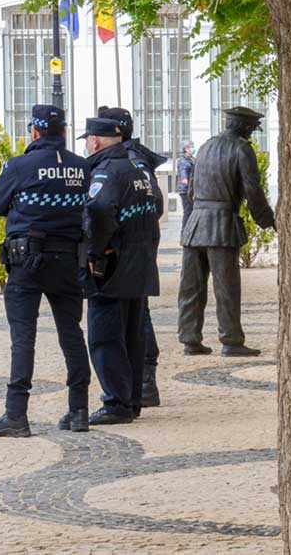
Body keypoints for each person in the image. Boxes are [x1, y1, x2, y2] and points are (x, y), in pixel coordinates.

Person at [0, 106, 92, 438]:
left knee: (22, 339)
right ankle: (79, 410)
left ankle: (16, 415)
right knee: (71, 333)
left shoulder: (18, 166)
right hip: (69, 260)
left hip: (27, 262)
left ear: (34, 132)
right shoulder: (81, 167)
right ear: (63, 132)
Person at [79, 117, 161, 425]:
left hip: (112, 268)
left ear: (96, 142)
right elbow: (157, 208)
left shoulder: (105, 171)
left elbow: (99, 211)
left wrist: (94, 252)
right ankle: (132, 399)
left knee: (105, 337)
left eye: (88, 139)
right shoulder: (138, 169)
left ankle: (116, 402)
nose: (87, 144)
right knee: (132, 335)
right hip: (139, 263)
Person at [177, 106, 274, 357]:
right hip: (221, 224)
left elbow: (191, 190)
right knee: (226, 286)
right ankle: (231, 340)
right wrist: (267, 220)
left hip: (196, 223)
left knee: (191, 285)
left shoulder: (206, 146)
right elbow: (253, 191)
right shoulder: (242, 149)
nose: (253, 133)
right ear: (243, 127)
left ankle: (190, 339)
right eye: (252, 128)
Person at [96, 106, 166, 408]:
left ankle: (142, 383)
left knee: (135, 322)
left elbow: (151, 204)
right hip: (139, 251)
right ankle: (139, 387)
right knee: (137, 319)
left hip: (124, 255)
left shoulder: (125, 162)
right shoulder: (135, 159)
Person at [176, 141, 196, 225]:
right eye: (191, 146)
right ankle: (184, 233)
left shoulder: (191, 159)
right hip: (185, 190)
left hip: (190, 189)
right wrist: (184, 179)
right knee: (188, 212)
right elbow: (183, 170)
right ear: (186, 149)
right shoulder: (183, 160)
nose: (193, 148)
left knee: (191, 212)